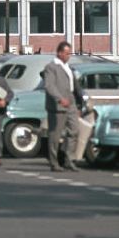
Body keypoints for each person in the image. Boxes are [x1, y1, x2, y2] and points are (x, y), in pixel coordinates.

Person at [44, 40, 79, 172]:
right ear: (59, 53)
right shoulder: (51, 67)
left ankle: (69, 159)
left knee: (74, 130)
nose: (68, 55)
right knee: (55, 134)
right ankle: (54, 162)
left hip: (71, 101)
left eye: (69, 53)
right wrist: (59, 99)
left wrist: (77, 102)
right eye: (65, 53)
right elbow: (49, 86)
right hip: (57, 104)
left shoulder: (68, 67)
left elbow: (75, 87)